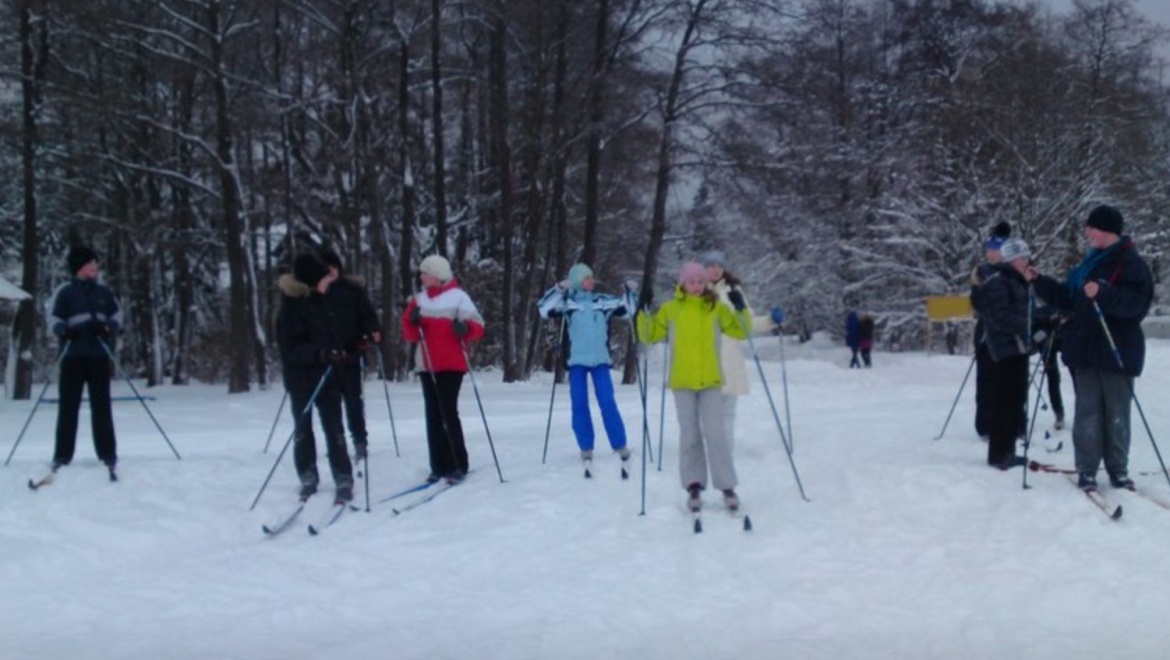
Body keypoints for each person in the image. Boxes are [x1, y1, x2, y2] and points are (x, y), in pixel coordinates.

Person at [1028, 204, 1153, 492]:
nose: (1087, 233)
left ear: (1105, 230)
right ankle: (1086, 469)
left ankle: (1118, 470)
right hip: (1084, 350)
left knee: (1116, 413)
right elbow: (1068, 300)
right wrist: (1039, 281)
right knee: (1087, 413)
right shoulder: (1089, 264)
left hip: (1116, 350)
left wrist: (1105, 293)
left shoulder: (1131, 264)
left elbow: (1135, 304)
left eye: (1091, 228)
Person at [636, 262, 751, 512]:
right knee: (690, 435)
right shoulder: (671, 309)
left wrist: (741, 308)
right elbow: (649, 334)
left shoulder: (716, 308)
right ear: (683, 284)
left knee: (716, 434)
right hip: (682, 382)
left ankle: (727, 486)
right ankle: (694, 485)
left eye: (700, 281)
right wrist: (642, 310)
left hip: (710, 380)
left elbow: (742, 331)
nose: (697, 286)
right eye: (692, 282)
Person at [536, 263, 635, 473]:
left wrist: (630, 292)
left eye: (591, 277)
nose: (592, 281)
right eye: (587, 278)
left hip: (600, 360)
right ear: (578, 281)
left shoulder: (602, 301)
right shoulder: (567, 302)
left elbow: (628, 311)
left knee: (607, 402)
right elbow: (543, 309)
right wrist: (559, 289)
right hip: (577, 362)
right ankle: (586, 447)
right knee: (579, 404)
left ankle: (619, 444)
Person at [277, 253, 354, 502]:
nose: (328, 281)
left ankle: (343, 476)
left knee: (335, 429)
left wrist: (339, 351)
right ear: (312, 281)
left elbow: (333, 335)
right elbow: (291, 349)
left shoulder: (323, 303)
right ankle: (308, 476)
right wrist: (319, 353)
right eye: (323, 278)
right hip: (301, 380)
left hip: (328, 377)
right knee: (303, 430)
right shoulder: (290, 309)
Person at [401, 255, 485, 483]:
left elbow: (478, 327)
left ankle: (458, 464)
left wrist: (464, 328)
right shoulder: (419, 300)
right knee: (433, 414)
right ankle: (438, 466)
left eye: (425, 272)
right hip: (427, 364)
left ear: (437, 275)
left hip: (452, 364)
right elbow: (408, 334)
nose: (421, 276)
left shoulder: (458, 297)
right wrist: (413, 321)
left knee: (448, 411)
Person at [46, 246, 122, 477]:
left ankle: (108, 454)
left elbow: (118, 315)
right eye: (91, 264)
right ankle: (62, 455)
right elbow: (52, 317)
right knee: (68, 408)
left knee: (102, 408)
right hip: (73, 357)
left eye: (95, 264)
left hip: (98, 357)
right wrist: (63, 331)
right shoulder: (65, 291)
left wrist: (107, 327)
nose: (95, 267)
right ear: (80, 267)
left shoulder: (104, 292)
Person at [700, 251, 777, 451]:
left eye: (718, 265)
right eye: (710, 266)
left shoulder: (734, 290)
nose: (715, 270)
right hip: (703, 359)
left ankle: (724, 454)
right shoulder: (695, 290)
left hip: (730, 358)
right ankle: (708, 452)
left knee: (728, 412)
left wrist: (771, 320)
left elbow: (747, 324)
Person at [319, 250, 382, 461]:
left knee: (353, 401)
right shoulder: (316, 293)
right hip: (325, 358)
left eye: (333, 267)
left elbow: (367, 315)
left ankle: (359, 441)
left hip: (351, 353)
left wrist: (373, 330)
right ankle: (336, 442)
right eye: (326, 269)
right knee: (330, 404)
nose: (330, 272)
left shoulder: (352, 290)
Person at [978, 238, 1034, 469]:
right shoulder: (999, 282)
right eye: (1022, 258)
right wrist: (1028, 325)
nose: (1026, 262)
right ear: (1011, 260)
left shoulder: (1018, 282)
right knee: (1005, 401)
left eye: (1026, 257)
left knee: (1016, 399)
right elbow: (1000, 317)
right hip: (1005, 348)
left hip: (1018, 347)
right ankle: (999, 453)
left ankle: (1008, 449)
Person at [970, 221, 1012, 440]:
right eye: (989, 250)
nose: (991, 254)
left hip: (1007, 334)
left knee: (1008, 381)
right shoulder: (981, 271)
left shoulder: (1012, 271)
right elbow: (976, 303)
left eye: (995, 251)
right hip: (986, 332)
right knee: (985, 380)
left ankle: (1011, 422)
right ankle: (984, 425)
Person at [1031, 302, 1066, 430]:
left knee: (1076, 372)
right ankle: (1058, 413)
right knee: (1052, 375)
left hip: (1062, 330)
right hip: (1042, 333)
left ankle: (1082, 412)